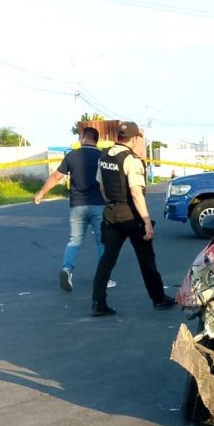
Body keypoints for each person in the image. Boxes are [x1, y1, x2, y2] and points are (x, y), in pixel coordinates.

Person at [91, 121, 176, 317]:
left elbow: (102, 186)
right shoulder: (131, 160)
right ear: (134, 138)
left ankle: (98, 302)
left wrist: (112, 203)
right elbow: (136, 192)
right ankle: (158, 298)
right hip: (131, 215)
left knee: (107, 260)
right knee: (146, 259)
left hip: (111, 213)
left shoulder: (104, 157)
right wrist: (146, 221)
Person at [33, 126, 115, 292]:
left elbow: (56, 177)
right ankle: (103, 278)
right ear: (96, 139)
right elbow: (109, 182)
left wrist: (40, 193)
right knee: (102, 242)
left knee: (75, 240)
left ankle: (67, 269)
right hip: (99, 205)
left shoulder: (72, 155)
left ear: (84, 137)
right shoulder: (103, 157)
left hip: (77, 205)